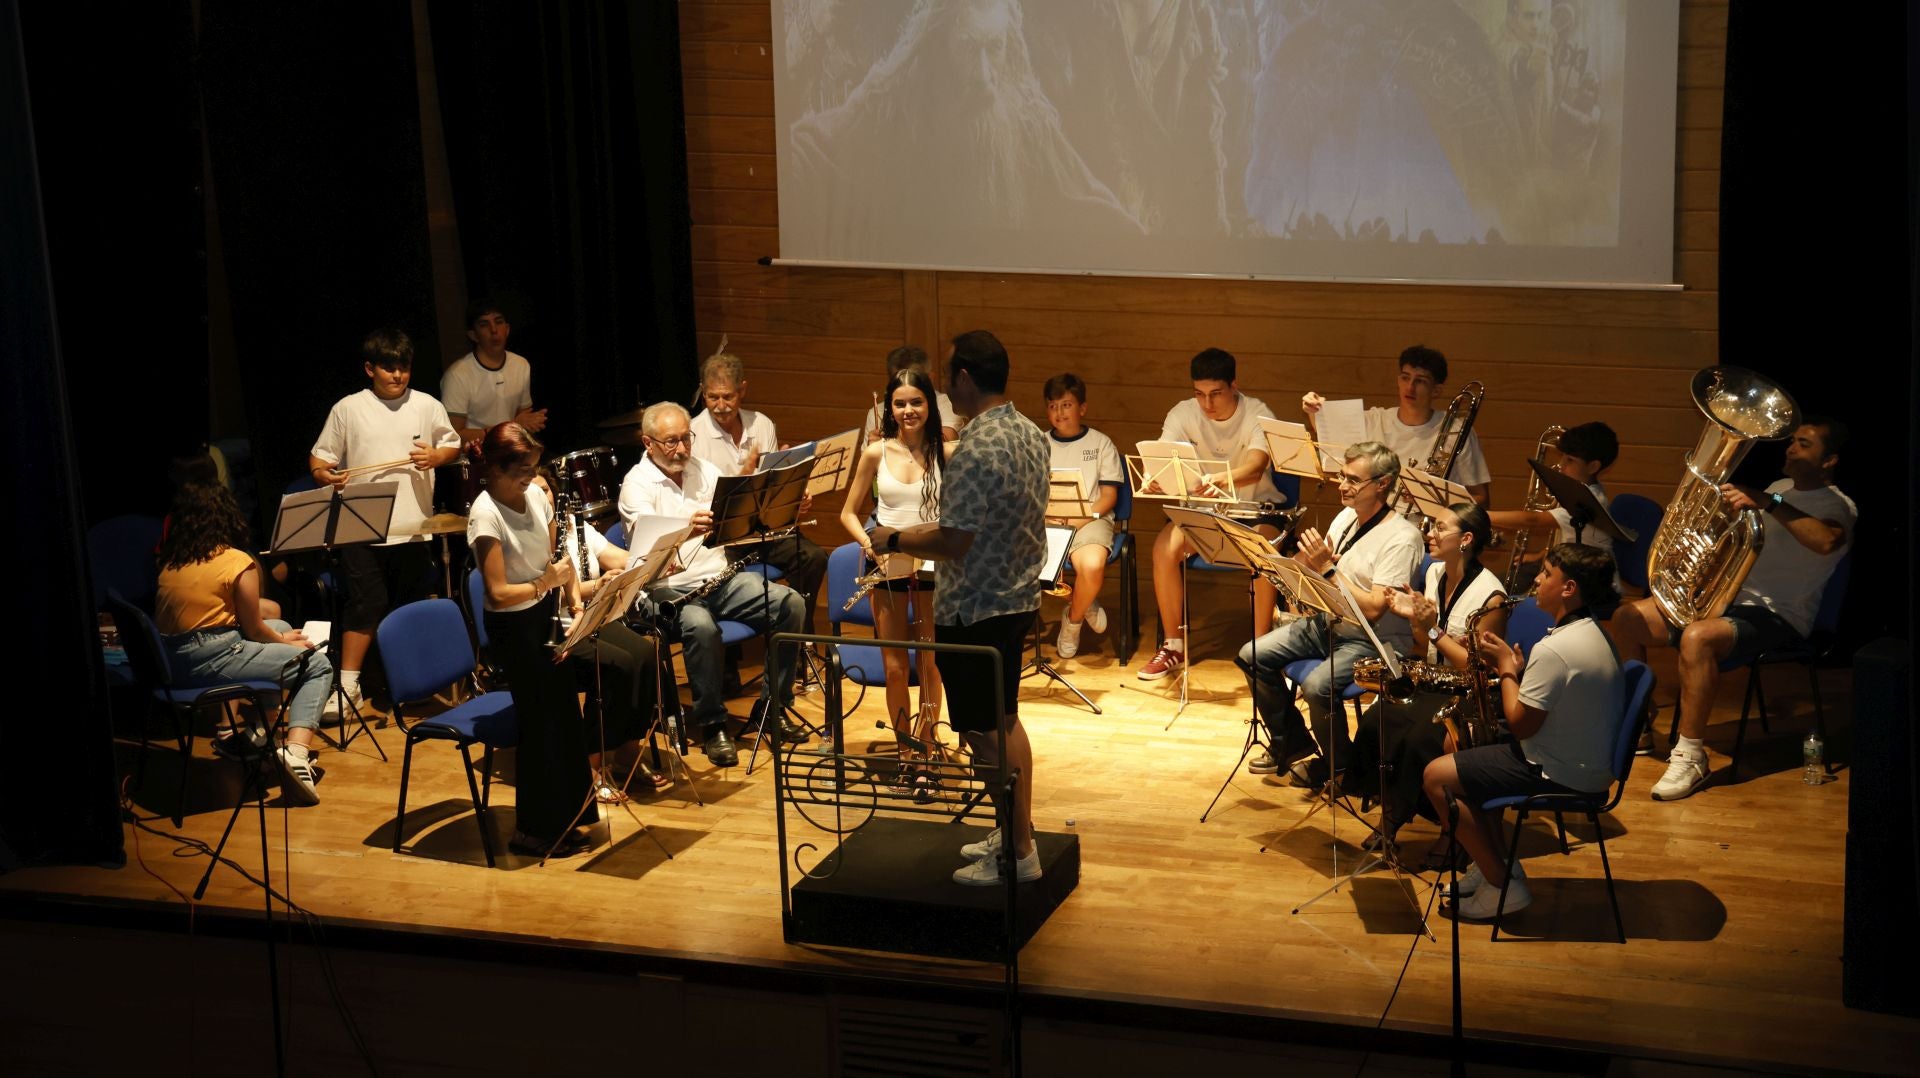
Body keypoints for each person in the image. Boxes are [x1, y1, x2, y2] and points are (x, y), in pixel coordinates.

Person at [867, 330, 1049, 886]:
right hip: (1018, 599)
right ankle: (1016, 830)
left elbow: (952, 541)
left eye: (947, 376)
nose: (944, 386)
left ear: (966, 378)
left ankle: (1019, 854)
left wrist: (892, 540)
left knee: (984, 736)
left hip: (975, 609)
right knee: (1006, 723)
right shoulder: (1028, 432)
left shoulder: (974, 450)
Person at [1609, 418, 1854, 801]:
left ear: (1829, 460)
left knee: (1698, 638)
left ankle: (1691, 755)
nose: (1791, 448)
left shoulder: (1838, 505)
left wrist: (1768, 502)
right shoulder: (1779, 487)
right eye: (1791, 441)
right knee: (1628, 617)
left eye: (1804, 444)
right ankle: (1638, 722)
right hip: (1730, 599)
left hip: (1779, 614)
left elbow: (1825, 541)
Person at [1423, 543, 1624, 919]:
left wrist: (1507, 668)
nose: (1537, 579)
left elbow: (1519, 724)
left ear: (1569, 588)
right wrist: (1514, 666)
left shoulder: (1558, 648)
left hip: (1561, 770)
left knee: (1437, 777)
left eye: (1547, 573)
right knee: (1466, 746)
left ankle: (1502, 885)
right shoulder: (1588, 631)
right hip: (1578, 757)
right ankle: (1491, 867)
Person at [618, 401, 807, 768]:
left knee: (791, 603)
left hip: (718, 578)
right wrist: (689, 523)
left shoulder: (704, 470)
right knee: (701, 626)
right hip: (665, 589)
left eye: (686, 439)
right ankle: (713, 724)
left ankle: (773, 706)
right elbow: (649, 545)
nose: (683, 449)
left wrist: (782, 507)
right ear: (648, 443)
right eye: (671, 442)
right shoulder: (636, 485)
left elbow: (737, 524)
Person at [1237, 442, 1423, 784]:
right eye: (1342, 476)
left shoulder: (1402, 538)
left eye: (1353, 480)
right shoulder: (1346, 517)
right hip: (1329, 623)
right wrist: (1284, 567)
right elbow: (1314, 567)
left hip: (1374, 640)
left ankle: (1342, 768)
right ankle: (1292, 744)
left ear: (1382, 484)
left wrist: (1325, 568)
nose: (1342, 484)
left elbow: (1372, 609)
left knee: (1317, 685)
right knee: (1252, 655)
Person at [154, 467, 332, 805]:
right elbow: (252, 630)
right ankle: (295, 752)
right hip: (212, 658)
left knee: (279, 628)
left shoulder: (171, 562)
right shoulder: (235, 561)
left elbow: (259, 630)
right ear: (227, 517)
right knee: (316, 665)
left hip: (172, 662)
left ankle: (255, 736)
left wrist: (280, 638)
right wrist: (289, 645)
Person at [308, 328, 463, 715]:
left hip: (413, 525)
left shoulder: (427, 405)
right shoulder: (348, 408)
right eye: (389, 368)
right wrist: (327, 475)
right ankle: (347, 689)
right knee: (365, 604)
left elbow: (453, 443)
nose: (397, 375)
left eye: (404, 367)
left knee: (410, 604)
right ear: (369, 369)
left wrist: (436, 458)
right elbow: (319, 460)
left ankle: (413, 681)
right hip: (362, 526)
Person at [466, 423, 596, 857]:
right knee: (540, 725)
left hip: (544, 616)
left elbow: (560, 561)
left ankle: (568, 819)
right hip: (514, 629)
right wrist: (546, 584)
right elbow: (498, 594)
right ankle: (532, 832)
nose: (531, 477)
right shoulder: (485, 515)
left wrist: (575, 605)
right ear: (496, 469)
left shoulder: (538, 496)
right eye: (522, 469)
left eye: (532, 467)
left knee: (563, 719)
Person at [1350, 503, 1509, 850]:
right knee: (1380, 719)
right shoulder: (1436, 574)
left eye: (1439, 528)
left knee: (1422, 736)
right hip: (1436, 681)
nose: (1430, 534)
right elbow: (1426, 644)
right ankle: (1391, 815)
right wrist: (1416, 622)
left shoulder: (1492, 597)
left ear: (1466, 539)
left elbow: (1476, 667)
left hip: (1470, 694)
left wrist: (1432, 628)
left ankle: (1451, 831)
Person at [1139, 348, 1290, 680]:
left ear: (1233, 385)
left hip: (1254, 509)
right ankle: (1174, 645)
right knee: (1163, 549)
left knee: (1264, 553)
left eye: (1215, 394)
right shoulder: (1182, 413)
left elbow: (1255, 466)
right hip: (1203, 510)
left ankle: (1261, 651)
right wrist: (1156, 479)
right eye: (1199, 394)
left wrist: (1223, 477)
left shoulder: (1258, 413)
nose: (1207, 403)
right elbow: (1165, 458)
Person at [840, 367, 947, 778]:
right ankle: (907, 751)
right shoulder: (876, 452)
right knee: (895, 665)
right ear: (890, 408)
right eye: (899, 403)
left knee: (931, 660)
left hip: (935, 563)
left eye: (916, 402)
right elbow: (849, 513)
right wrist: (869, 545)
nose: (908, 410)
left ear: (929, 405)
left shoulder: (946, 452)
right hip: (886, 563)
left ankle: (931, 741)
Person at [688, 344, 828, 637]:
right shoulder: (693, 434)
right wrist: (744, 475)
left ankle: (800, 637)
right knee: (718, 577)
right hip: (722, 538)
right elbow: (703, 500)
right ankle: (728, 663)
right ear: (703, 392)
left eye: (728, 396)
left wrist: (794, 500)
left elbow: (774, 486)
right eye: (712, 397)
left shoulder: (761, 424)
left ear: (743, 390)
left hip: (763, 527)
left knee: (813, 558)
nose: (720, 405)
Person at [1301, 345, 1491, 512]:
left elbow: (1481, 499)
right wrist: (1314, 408)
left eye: (1421, 381)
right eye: (1405, 378)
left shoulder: (1455, 431)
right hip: (1370, 521)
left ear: (1436, 390)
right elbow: (1326, 432)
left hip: (1423, 533)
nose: (1410, 387)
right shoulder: (1375, 419)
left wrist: (1432, 500)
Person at [1041, 373, 1123, 659]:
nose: (1059, 413)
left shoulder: (1101, 444)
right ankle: (1085, 601)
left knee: (1090, 566)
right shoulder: (1038, 443)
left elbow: (1109, 497)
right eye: (1053, 406)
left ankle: (1072, 621)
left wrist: (1079, 520)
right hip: (1046, 522)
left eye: (1066, 405)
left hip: (1091, 519)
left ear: (1082, 408)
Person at [1487, 421, 1621, 594]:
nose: (1561, 464)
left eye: (1570, 460)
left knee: (1496, 593)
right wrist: (1540, 555)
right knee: (1497, 584)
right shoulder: (1578, 489)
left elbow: (1533, 520)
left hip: (1592, 584)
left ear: (1593, 466)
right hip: (1569, 568)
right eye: (1562, 457)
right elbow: (1572, 539)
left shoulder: (1589, 499)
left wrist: (1484, 515)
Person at [443, 299, 546, 445]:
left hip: (511, 450)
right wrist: (512, 426)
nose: (494, 330)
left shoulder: (520, 364)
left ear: (507, 329)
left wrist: (532, 422)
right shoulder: (457, 374)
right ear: (473, 335)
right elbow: (454, 436)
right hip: (477, 457)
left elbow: (523, 416)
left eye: (498, 322)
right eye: (484, 324)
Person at [863, 345, 962, 444]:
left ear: (930, 379)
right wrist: (873, 448)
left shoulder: (946, 402)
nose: (906, 384)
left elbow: (944, 441)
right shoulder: (876, 412)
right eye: (898, 380)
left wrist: (887, 442)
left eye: (914, 380)